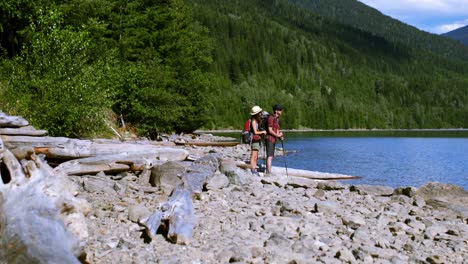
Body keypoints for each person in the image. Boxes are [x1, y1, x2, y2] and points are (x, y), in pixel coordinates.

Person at [265, 104, 284, 175]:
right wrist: (277, 135)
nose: (281, 111)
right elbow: (270, 130)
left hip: (273, 139)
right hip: (269, 138)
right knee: (269, 156)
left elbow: (277, 129)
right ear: (276, 111)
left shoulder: (277, 119)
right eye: (280, 110)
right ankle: (268, 172)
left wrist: (280, 137)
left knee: (271, 156)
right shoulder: (271, 118)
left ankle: (268, 171)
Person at [249, 105, 267, 175]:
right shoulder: (254, 121)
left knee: (256, 155)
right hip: (254, 139)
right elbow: (255, 132)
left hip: (257, 139)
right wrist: (263, 132)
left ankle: (254, 168)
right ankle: (253, 169)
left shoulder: (256, 120)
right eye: (259, 112)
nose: (260, 113)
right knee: (254, 155)